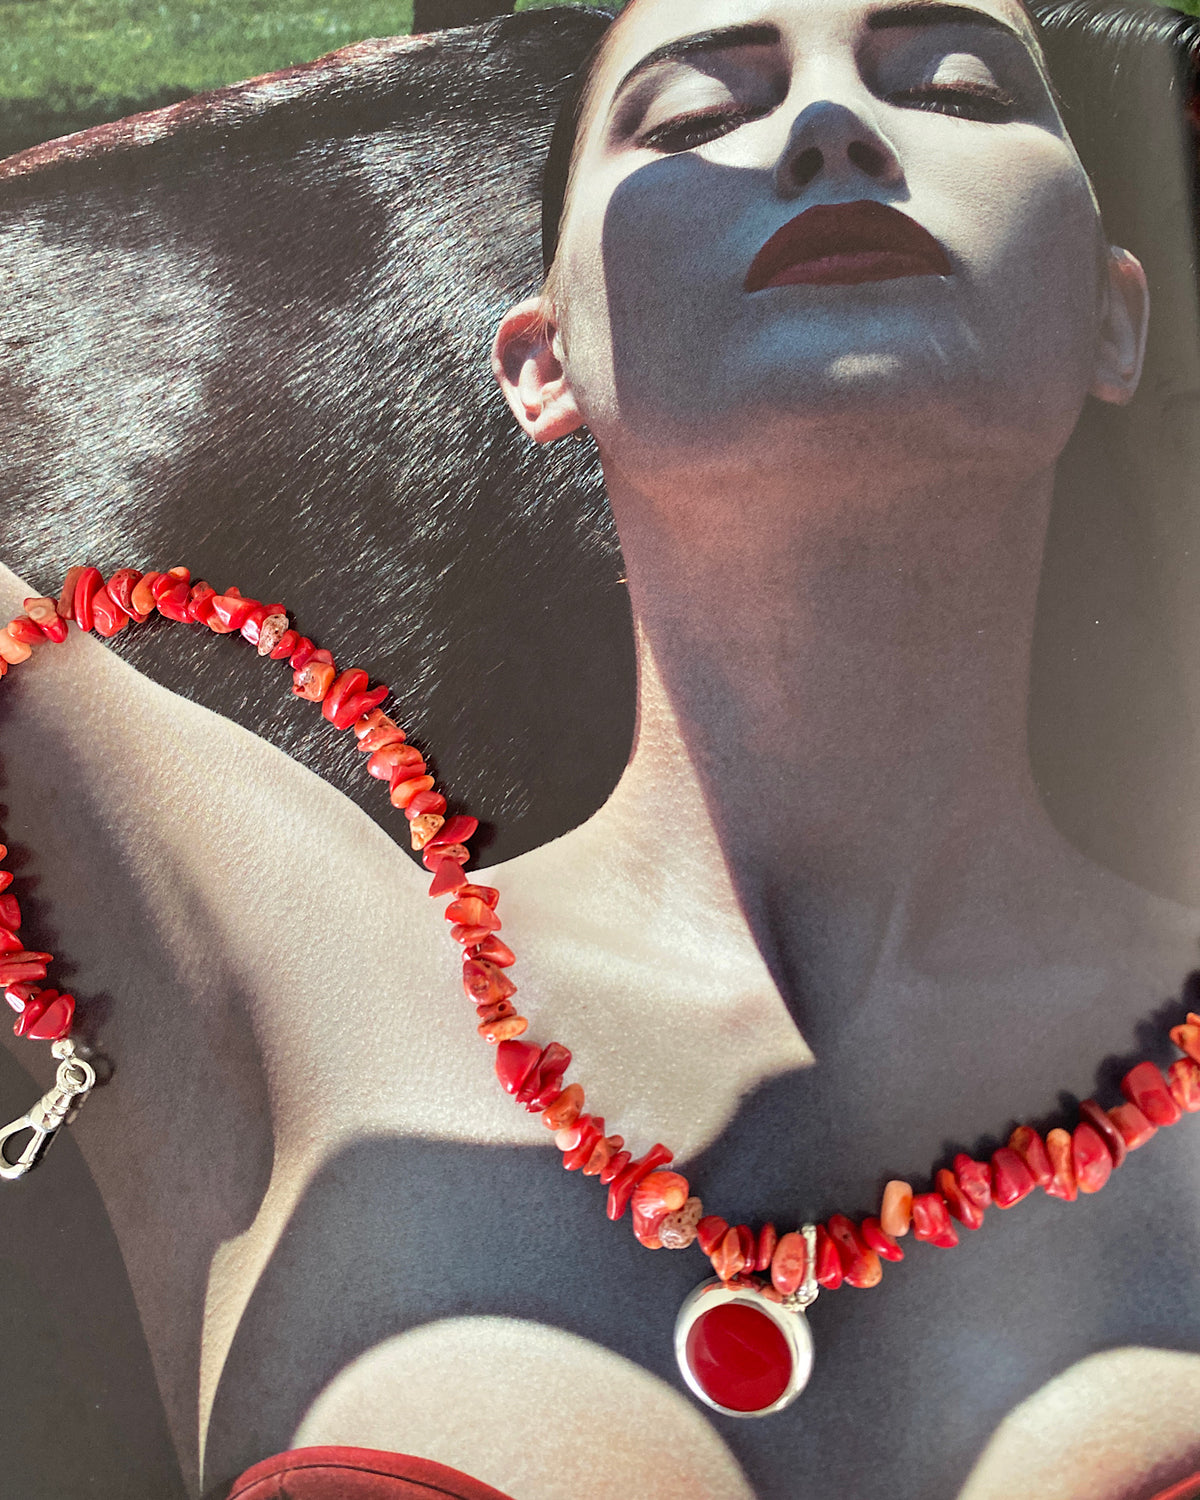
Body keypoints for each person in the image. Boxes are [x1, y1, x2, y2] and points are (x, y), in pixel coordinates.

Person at [2, 2, 1200, 1497]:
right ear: (541, 360)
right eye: (696, 116)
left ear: (1111, 315)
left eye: (953, 87)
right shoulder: (264, 941)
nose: (834, 132)